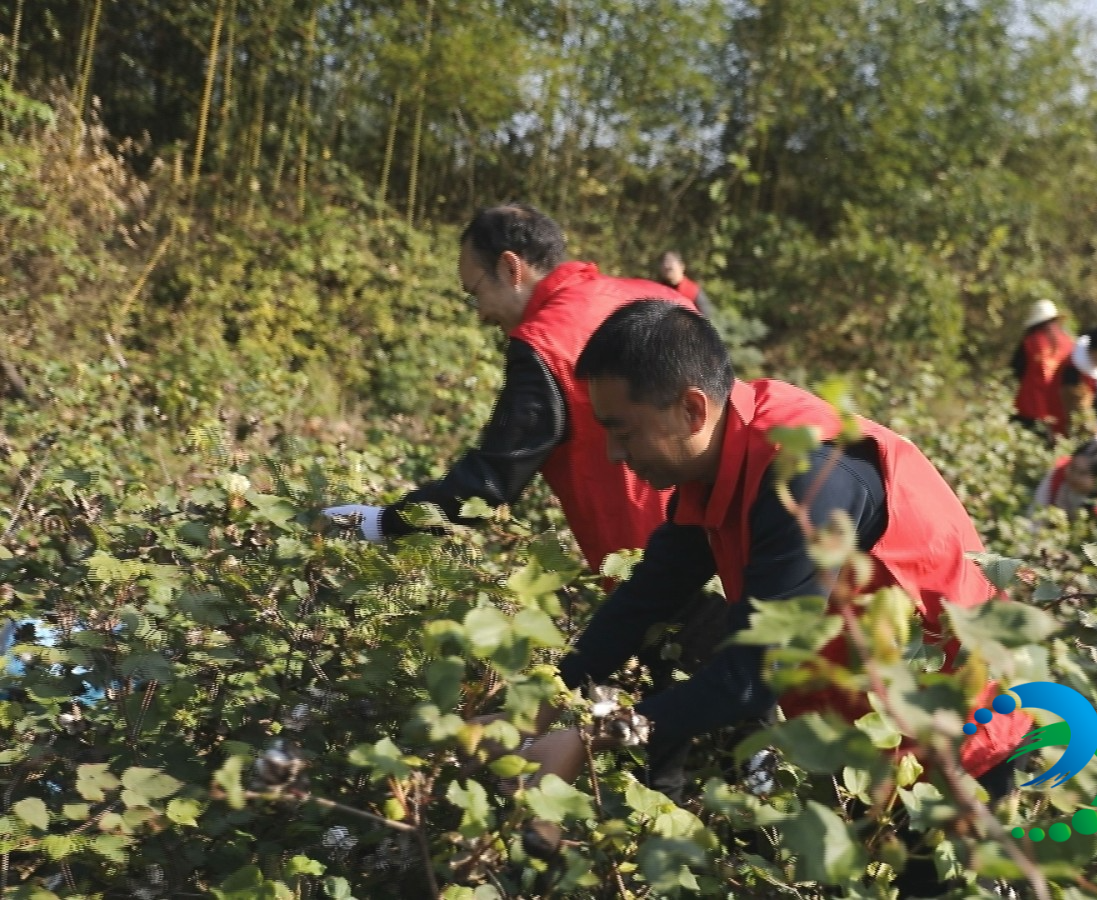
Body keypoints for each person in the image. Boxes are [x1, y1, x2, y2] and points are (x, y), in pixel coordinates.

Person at [505, 301, 1032, 892]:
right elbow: (646, 597)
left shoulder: (808, 477)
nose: (614, 455)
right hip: (863, 745)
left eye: (621, 430)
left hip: (956, 748)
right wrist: (545, 699)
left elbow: (754, 675)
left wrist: (589, 736)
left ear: (691, 407)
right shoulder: (721, 458)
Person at [319, 204, 697, 573]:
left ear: (510, 268)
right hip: (729, 545)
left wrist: (381, 523)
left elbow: (492, 480)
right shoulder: (666, 299)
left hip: (655, 572)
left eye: (476, 292)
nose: (481, 313)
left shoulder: (545, 341)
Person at [1009, 300, 1072, 438]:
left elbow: (1015, 370)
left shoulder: (1030, 342)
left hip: (1029, 408)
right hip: (1059, 410)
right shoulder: (1069, 343)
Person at [1031, 440, 1097, 524]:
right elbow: (1036, 515)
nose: (1073, 476)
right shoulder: (1058, 473)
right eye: (1072, 468)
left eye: (1082, 473)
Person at [658, 250, 716, 321]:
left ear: (682, 266)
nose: (666, 265)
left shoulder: (693, 291)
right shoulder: (657, 290)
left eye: (670, 262)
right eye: (663, 263)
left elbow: (705, 316)